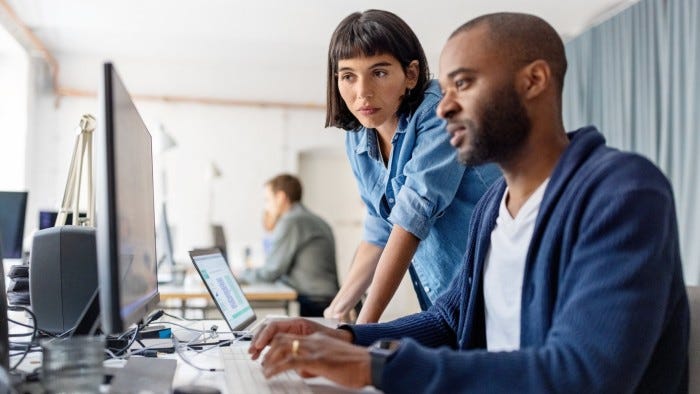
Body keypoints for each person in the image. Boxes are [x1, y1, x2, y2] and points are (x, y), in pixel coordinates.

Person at [248, 12, 689, 392]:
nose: (443, 108)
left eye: (463, 83)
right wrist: (343, 337)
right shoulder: (493, 205)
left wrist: (374, 365)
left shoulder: (622, 193)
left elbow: (584, 375)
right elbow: (446, 322)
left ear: (533, 81)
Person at [323, 9, 500, 323]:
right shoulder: (358, 137)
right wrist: (337, 311)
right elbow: (380, 227)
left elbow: (412, 216)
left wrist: (362, 328)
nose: (362, 91)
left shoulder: (441, 112)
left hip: (498, 290)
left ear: (411, 75)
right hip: (449, 303)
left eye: (379, 72)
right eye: (348, 76)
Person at [238, 174, 339, 317]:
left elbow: (271, 271)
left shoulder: (292, 221)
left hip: (313, 301)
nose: (266, 206)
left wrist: (240, 275)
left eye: (267, 200)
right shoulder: (312, 218)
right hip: (326, 298)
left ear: (280, 197)